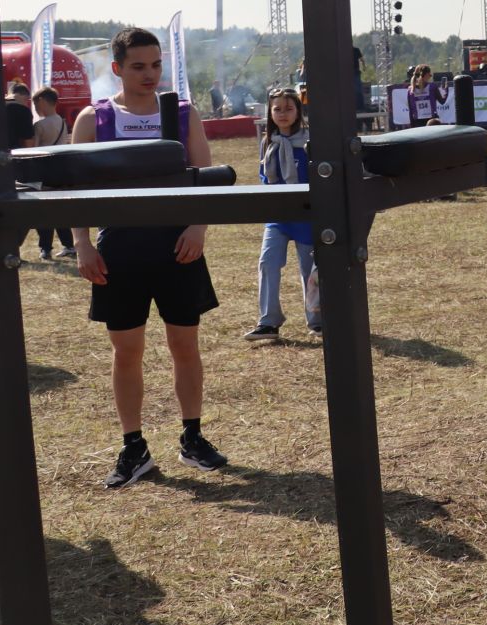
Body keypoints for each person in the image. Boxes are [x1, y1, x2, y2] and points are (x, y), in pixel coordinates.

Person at [69, 27, 228, 488]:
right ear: (117, 68)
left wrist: (198, 227)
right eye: (138, 66)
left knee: (185, 345)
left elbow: (205, 178)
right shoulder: (92, 119)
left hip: (178, 246)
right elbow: (73, 191)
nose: (149, 74)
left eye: (156, 64)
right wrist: (83, 244)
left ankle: (192, 437)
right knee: (127, 351)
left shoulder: (182, 113)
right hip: (119, 248)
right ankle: (133, 447)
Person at [245, 87, 319, 341]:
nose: (283, 114)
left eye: (288, 108)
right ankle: (269, 322)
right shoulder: (268, 142)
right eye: (277, 109)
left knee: (309, 269)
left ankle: (318, 320)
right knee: (268, 263)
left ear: (298, 111)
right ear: (270, 112)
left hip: (306, 215)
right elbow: (264, 175)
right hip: (277, 216)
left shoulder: (311, 141)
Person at [27, 86, 71, 260]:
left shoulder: (40, 125)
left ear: (42, 101)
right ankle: (68, 244)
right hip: (60, 170)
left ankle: (45, 248)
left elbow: (34, 150)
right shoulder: (62, 121)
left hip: (44, 172)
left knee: (43, 211)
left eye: (36, 104)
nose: (36, 108)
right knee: (61, 210)